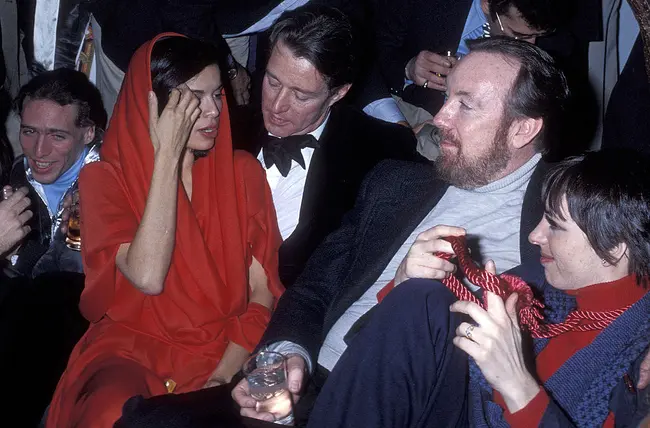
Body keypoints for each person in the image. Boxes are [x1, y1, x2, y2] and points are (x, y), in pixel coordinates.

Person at [232, 37, 568, 424]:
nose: (439, 119)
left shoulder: (564, 227)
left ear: (522, 129)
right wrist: (287, 358)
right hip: (307, 388)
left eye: (465, 105)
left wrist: (405, 291)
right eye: (446, 98)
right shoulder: (395, 183)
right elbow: (312, 290)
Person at [306, 148, 650, 427]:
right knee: (421, 297)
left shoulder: (640, 353)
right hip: (464, 413)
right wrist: (403, 284)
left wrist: (517, 384)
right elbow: (406, 344)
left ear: (615, 245)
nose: (534, 236)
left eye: (555, 226)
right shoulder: (538, 281)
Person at [45, 34, 284, 427]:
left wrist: (224, 374)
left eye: (217, 95)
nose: (213, 111)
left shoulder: (243, 172)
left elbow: (262, 292)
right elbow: (148, 276)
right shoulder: (104, 180)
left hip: (220, 352)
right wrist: (167, 158)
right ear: (152, 106)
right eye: (194, 99)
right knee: (110, 413)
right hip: (129, 351)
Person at [243, 5, 423, 288]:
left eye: (301, 96)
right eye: (273, 82)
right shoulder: (227, 125)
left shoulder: (382, 151)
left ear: (338, 93)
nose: (277, 106)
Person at [359, 0, 595, 160]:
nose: (532, 45)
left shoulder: (555, 30)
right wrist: (407, 68)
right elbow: (369, 54)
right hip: (408, 114)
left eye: (539, 36)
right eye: (519, 35)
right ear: (487, 4)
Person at [7, 68, 106, 278]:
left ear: (88, 133)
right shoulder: (16, 176)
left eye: (58, 136)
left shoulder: (114, 185)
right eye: (29, 131)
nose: (39, 151)